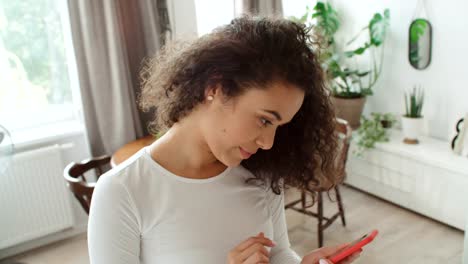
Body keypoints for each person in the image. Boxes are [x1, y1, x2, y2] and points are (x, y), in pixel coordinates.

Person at [88, 16, 361, 264]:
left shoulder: (262, 171)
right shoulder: (122, 192)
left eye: (279, 126)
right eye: (265, 120)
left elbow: (277, 254)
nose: (268, 142)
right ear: (215, 88)